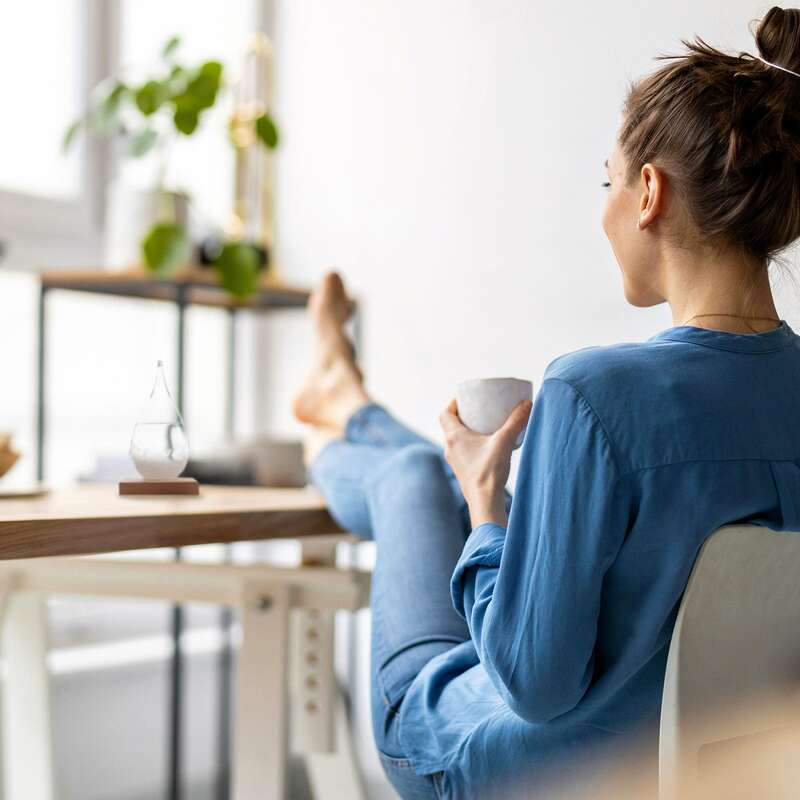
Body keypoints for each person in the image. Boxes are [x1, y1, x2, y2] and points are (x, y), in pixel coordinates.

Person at [293, 7, 800, 799]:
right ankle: (346, 400)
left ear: (648, 194)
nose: (602, 211)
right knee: (431, 471)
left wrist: (488, 510)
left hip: (542, 770)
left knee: (414, 479)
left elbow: (534, 683)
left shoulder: (592, 395)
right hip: (733, 773)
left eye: (608, 181)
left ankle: (342, 414)